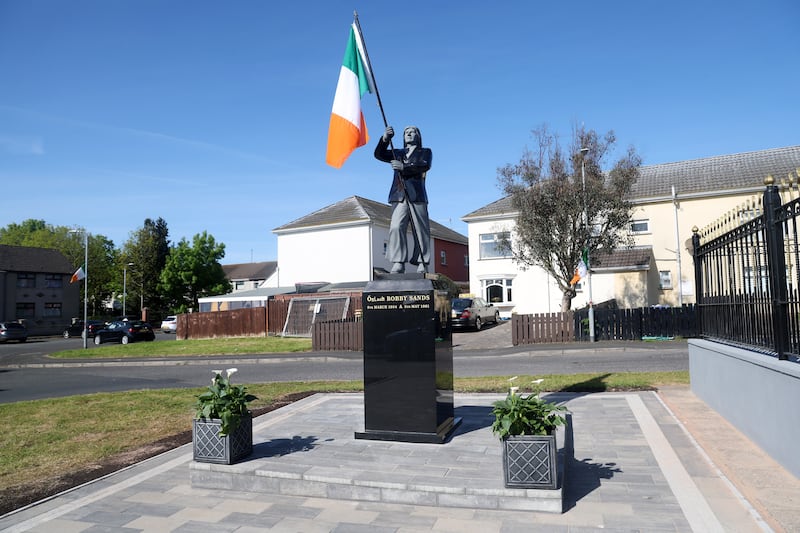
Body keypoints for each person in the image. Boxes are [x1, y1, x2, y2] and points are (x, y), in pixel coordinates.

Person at [374, 125, 432, 274]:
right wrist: (385, 139)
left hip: (416, 195)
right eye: (406, 132)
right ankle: (398, 261)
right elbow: (379, 154)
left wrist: (404, 167)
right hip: (399, 195)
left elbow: (423, 165)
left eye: (412, 132)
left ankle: (422, 262)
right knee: (396, 226)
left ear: (418, 136)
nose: (409, 134)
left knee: (420, 229)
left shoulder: (425, 152)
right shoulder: (397, 152)